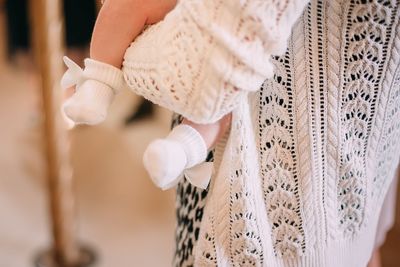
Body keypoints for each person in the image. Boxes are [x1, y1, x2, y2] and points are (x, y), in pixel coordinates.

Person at [63, 0, 400, 266]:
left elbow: (198, 75)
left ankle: (123, 99)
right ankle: (176, 141)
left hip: (269, 206)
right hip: (361, 170)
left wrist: (126, 44)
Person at [62, 0, 231, 190]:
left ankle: (180, 151)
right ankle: (99, 81)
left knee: (223, 101)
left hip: (244, 38)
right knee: (125, 6)